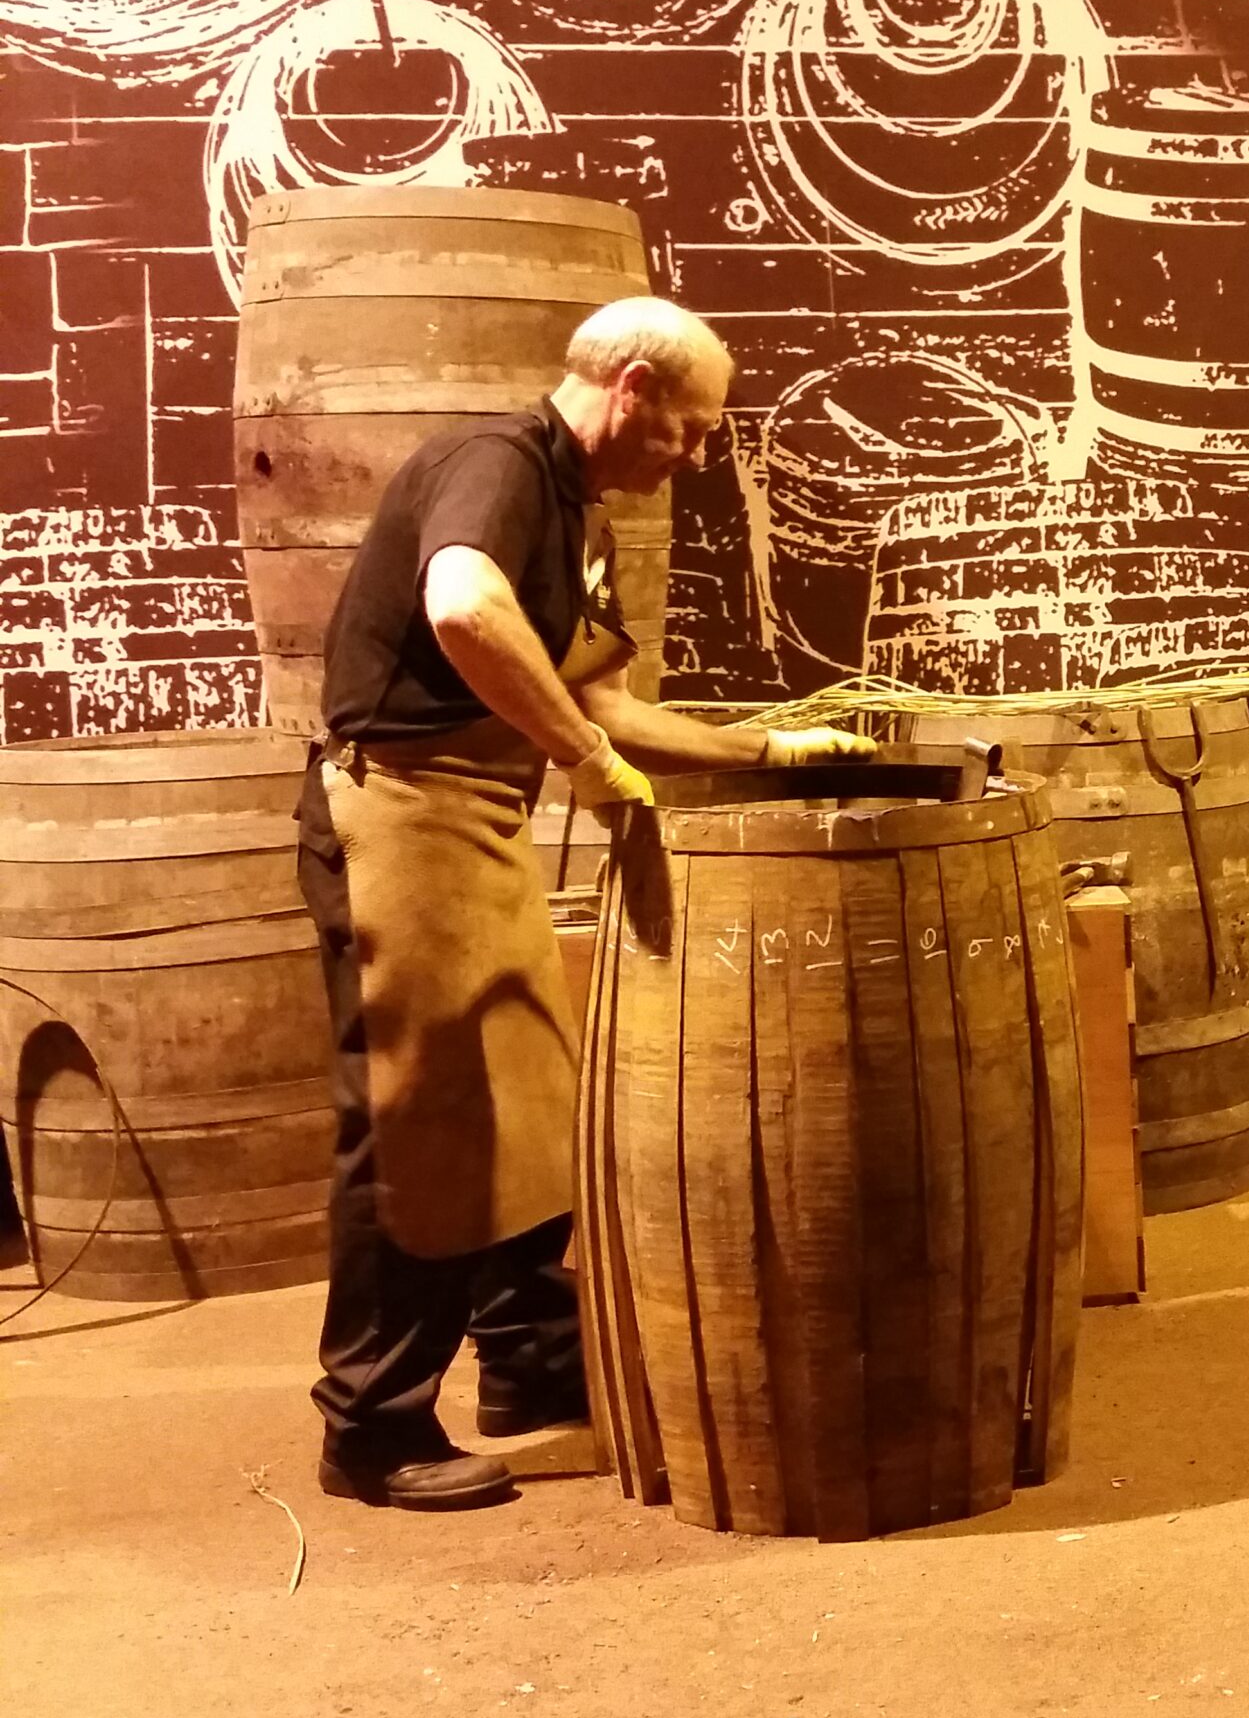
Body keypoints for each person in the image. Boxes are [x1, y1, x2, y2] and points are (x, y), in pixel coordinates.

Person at [296, 296, 866, 1511]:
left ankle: (532, 1364)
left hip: (477, 821)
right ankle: (370, 1430)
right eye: (690, 429)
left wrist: (766, 751)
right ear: (633, 388)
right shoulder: (496, 463)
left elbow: (595, 703)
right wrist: (586, 762)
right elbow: (463, 608)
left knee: (529, 1107)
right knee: (416, 1123)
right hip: (401, 814)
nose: (694, 456)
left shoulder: (576, 510)